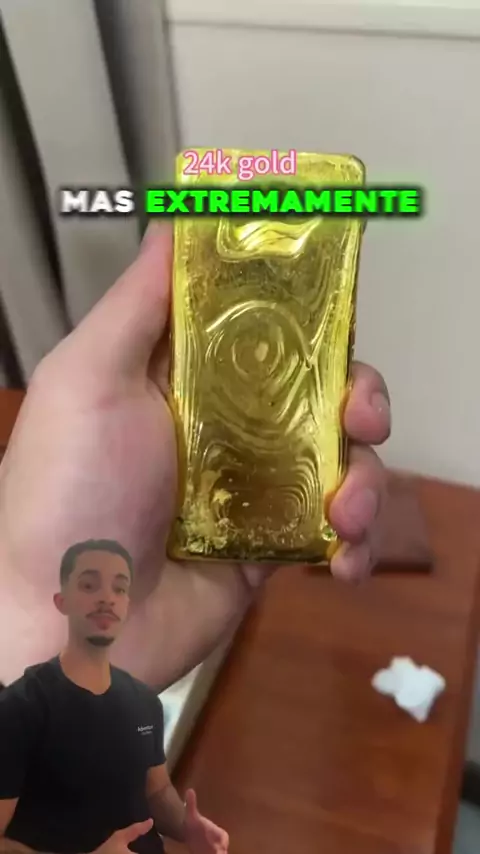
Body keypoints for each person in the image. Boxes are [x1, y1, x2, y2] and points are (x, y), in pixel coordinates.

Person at [0, 537, 229, 854]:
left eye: (119, 589)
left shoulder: (142, 703)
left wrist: (186, 826)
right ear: (62, 601)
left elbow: (156, 792)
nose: (106, 599)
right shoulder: (22, 708)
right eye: (89, 586)